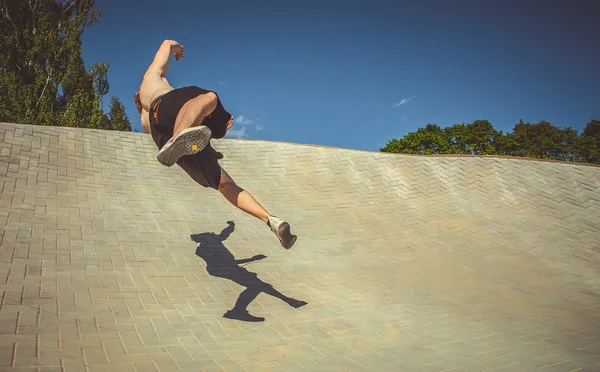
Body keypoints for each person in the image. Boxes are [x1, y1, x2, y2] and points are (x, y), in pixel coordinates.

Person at [133, 39, 296, 249]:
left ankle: (272, 221)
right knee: (210, 97)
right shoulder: (151, 78)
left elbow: (156, 128)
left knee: (224, 183)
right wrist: (177, 49)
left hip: (161, 137)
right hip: (169, 108)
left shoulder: (144, 121)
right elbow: (166, 43)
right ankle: (188, 133)